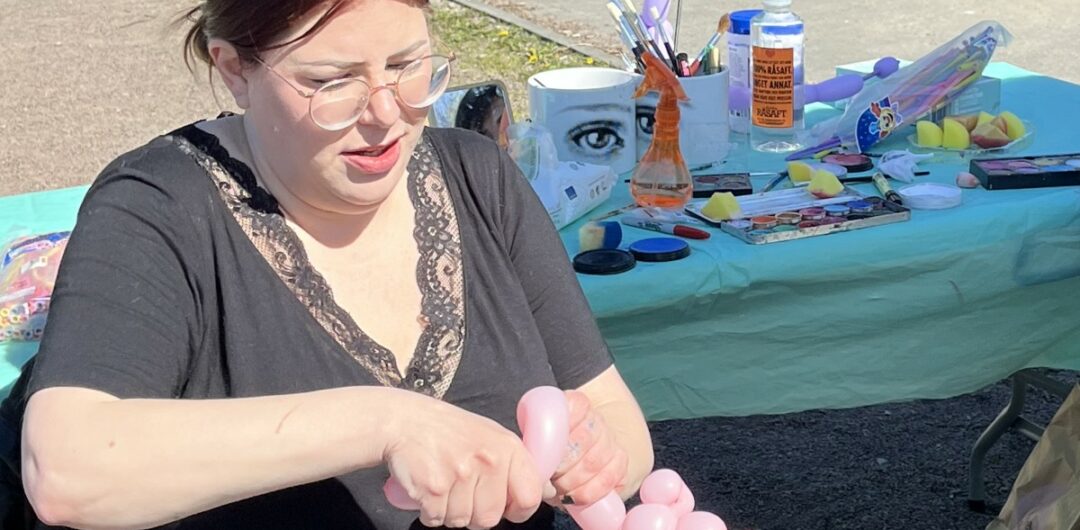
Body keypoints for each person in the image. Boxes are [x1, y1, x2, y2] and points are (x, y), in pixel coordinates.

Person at [0, 0, 654, 528]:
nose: (385, 113)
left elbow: (619, 426)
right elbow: (69, 471)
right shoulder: (159, 206)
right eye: (330, 82)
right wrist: (385, 422)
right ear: (234, 69)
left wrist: (594, 458)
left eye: (407, 65)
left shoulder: (479, 179)